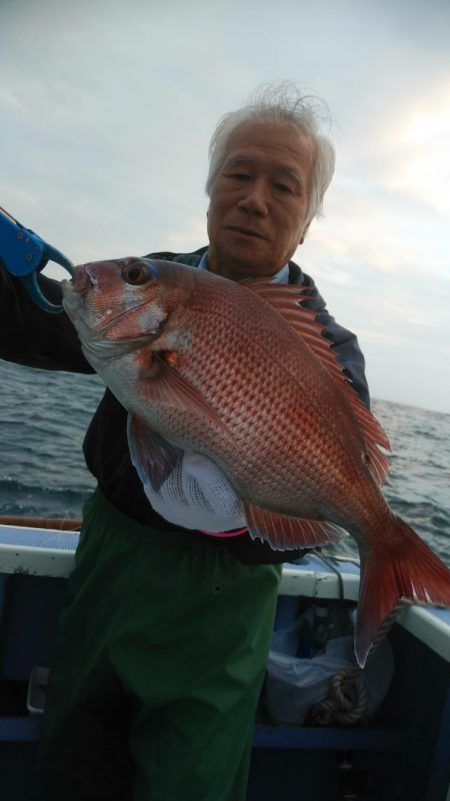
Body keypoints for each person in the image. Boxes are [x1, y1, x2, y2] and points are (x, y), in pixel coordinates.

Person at [0, 84, 369, 801]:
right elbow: (31, 320)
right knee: (74, 762)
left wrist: (260, 504)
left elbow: (326, 490)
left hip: (223, 602)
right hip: (110, 566)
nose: (253, 199)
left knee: (191, 781)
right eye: (238, 173)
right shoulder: (146, 284)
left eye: (283, 185)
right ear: (210, 189)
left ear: (306, 221)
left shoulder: (328, 348)